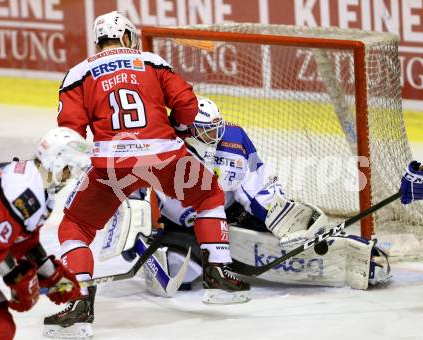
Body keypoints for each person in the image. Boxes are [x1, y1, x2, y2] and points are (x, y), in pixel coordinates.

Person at [44, 10, 249, 339]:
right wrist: (180, 129)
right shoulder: (151, 61)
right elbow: (187, 106)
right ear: (126, 37)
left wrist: (67, 165)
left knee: (75, 226)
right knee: (209, 195)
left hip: (111, 165)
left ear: (100, 42)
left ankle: (78, 301)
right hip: (164, 156)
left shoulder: (77, 74)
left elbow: (69, 133)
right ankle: (218, 271)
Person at [141, 96, 391, 293]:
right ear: (186, 133)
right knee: (187, 274)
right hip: (179, 229)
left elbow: (255, 184)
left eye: (217, 128)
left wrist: (280, 218)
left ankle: (350, 252)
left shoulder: (232, 141)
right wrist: (139, 242)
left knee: (277, 227)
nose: (216, 136)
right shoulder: (157, 154)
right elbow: (133, 205)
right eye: (208, 132)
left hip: (227, 215)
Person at [0, 126, 91, 340]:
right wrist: (17, 277)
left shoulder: (37, 186)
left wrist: (52, 275)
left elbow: (23, 241)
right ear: (57, 163)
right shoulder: (23, 193)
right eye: (71, 168)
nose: (71, 177)